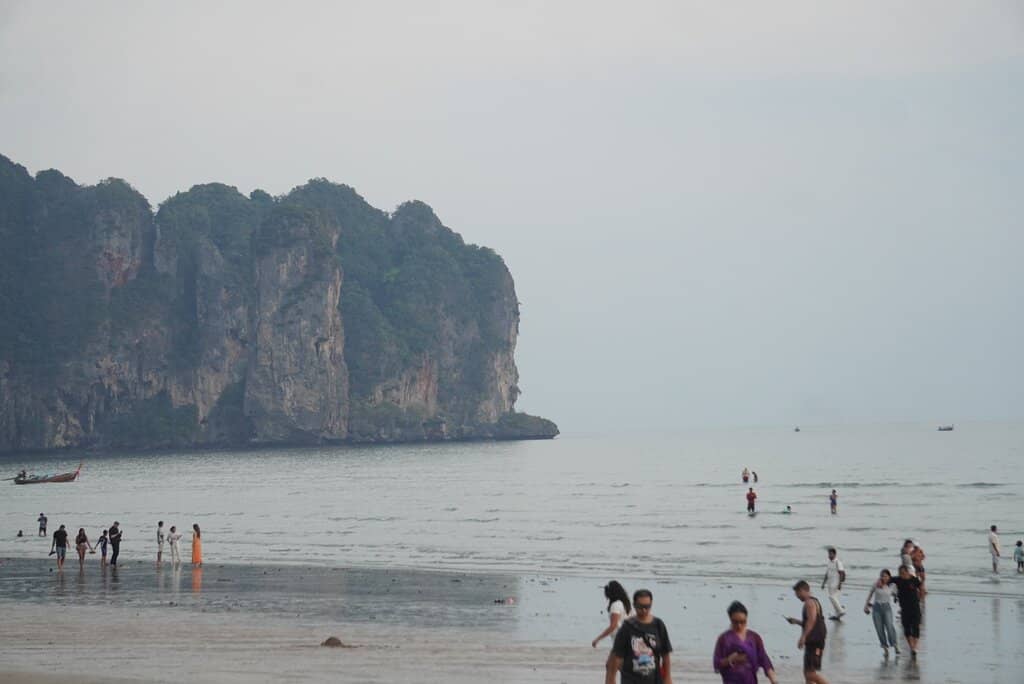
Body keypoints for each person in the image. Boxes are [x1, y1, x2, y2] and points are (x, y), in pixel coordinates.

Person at [606, 589, 673, 684]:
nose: (644, 610)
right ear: (634, 605)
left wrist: (668, 678)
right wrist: (611, 679)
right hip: (630, 679)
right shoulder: (627, 627)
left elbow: (666, 655)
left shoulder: (658, 625)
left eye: (647, 607)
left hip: (654, 679)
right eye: (640, 607)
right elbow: (616, 657)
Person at [713, 600, 778, 684]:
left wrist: (773, 680)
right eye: (735, 622)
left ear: (746, 619)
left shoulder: (754, 638)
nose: (739, 625)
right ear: (730, 619)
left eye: (742, 622)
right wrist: (730, 659)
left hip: (750, 680)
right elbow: (717, 663)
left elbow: (764, 659)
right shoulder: (724, 639)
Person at [786, 580, 829, 684]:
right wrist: (796, 621)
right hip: (815, 640)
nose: (797, 596)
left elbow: (812, 620)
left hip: (815, 641)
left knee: (810, 674)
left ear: (803, 590)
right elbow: (811, 622)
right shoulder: (813, 601)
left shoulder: (809, 603)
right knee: (808, 673)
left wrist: (803, 637)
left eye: (798, 593)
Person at [887, 565, 922, 658]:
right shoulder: (898, 580)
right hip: (904, 608)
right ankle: (911, 647)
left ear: (907, 572)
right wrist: (880, 583)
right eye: (900, 573)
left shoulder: (914, 580)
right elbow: (886, 579)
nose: (901, 575)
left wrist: (920, 598)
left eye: (903, 573)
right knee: (907, 628)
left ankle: (914, 646)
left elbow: (921, 588)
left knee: (916, 627)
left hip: (915, 607)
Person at [863, 569, 899, 657]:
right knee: (879, 629)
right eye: (882, 576)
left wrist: (896, 598)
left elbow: (895, 594)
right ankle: (885, 648)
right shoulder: (876, 584)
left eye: (886, 576)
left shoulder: (892, 585)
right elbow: (870, 594)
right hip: (876, 608)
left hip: (887, 607)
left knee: (889, 626)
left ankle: (895, 645)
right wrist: (866, 606)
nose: (884, 577)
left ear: (889, 577)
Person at [593, 580, 632, 648]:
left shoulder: (615, 605)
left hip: (619, 638)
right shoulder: (625, 604)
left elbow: (613, 626)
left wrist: (598, 639)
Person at [821, 547, 845, 620]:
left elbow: (841, 573)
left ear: (834, 554)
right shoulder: (829, 563)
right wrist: (823, 583)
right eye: (828, 554)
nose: (829, 555)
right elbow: (827, 573)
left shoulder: (838, 562)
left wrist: (840, 584)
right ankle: (837, 615)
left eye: (830, 554)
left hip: (836, 583)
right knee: (834, 599)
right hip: (830, 583)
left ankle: (841, 610)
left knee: (832, 597)